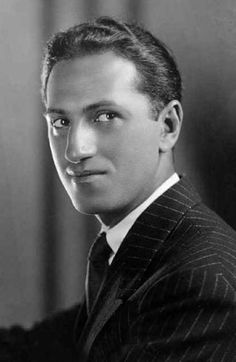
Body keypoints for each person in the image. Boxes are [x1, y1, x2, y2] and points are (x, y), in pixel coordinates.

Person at [1, 16, 236, 361]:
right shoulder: (136, 248)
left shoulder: (201, 280)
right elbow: (39, 346)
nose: (75, 150)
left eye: (105, 116)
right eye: (61, 122)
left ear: (167, 126)